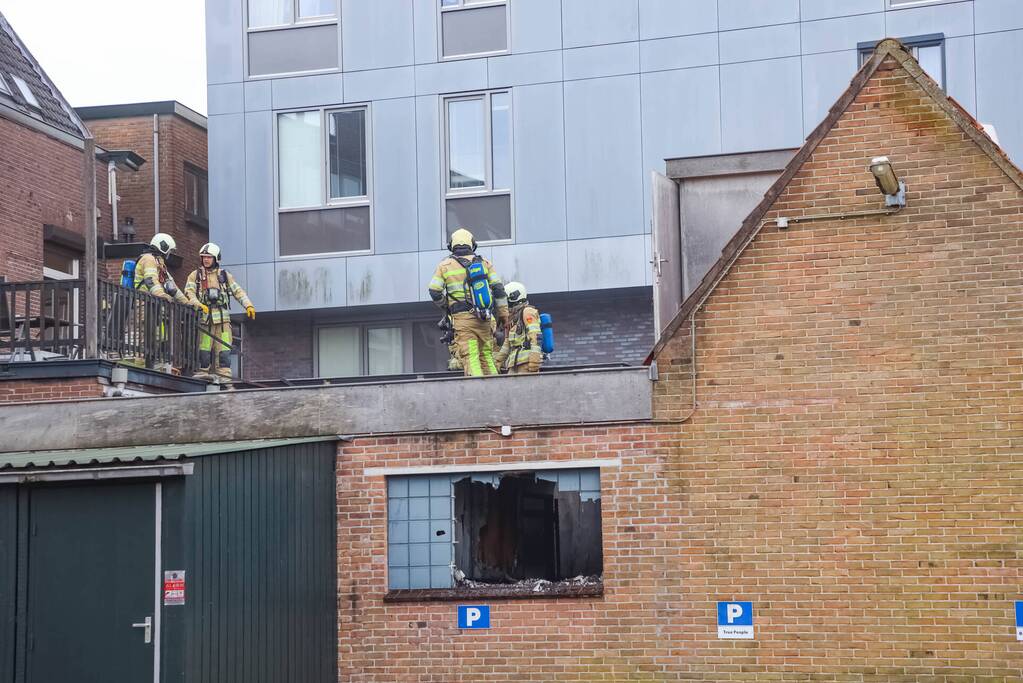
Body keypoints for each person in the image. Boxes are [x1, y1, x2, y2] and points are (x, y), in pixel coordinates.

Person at [427, 228, 508, 377]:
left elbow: (434, 290)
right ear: (473, 245)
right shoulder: (484, 263)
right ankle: (495, 386)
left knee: (471, 357)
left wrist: (446, 305)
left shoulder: (445, 266)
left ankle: (477, 388)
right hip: (484, 318)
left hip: (463, 320)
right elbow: (499, 289)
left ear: (451, 245)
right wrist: (504, 314)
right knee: (486, 355)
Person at [184, 242, 255, 382]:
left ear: (216, 258)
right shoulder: (195, 276)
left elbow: (238, 291)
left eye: (209, 257)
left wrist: (248, 305)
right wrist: (198, 304)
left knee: (224, 353)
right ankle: (202, 377)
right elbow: (189, 292)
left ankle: (225, 380)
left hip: (223, 323)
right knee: (204, 352)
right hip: (205, 322)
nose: (206, 259)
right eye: (204, 257)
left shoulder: (224, 276)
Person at [132, 233, 188, 373]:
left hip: (155, 305)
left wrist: (187, 303)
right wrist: (162, 295)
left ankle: (155, 364)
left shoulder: (160, 264)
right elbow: (150, 280)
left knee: (159, 336)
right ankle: (141, 366)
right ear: (163, 247)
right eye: (169, 250)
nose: (169, 253)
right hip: (144, 302)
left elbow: (172, 287)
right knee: (145, 335)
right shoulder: (148, 259)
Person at [495, 281, 543, 374]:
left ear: (514, 298)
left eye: (507, 301)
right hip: (514, 364)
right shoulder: (514, 319)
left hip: (527, 363)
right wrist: (498, 361)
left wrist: (535, 358)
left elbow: (535, 335)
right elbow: (507, 343)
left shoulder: (527, 312)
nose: (506, 304)